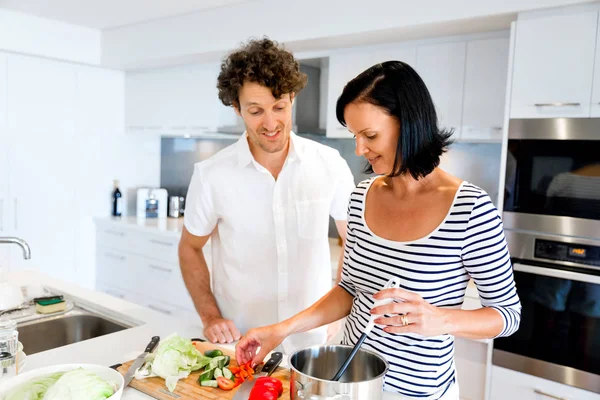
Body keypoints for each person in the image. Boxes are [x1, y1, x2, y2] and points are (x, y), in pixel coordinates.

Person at [235, 61, 522, 400]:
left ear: (409, 122)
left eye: (369, 135)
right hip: (348, 383)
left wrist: (438, 319)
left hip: (418, 392)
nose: (360, 149)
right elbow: (349, 290)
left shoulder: (469, 208)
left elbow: (507, 315)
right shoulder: (362, 195)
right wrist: (281, 330)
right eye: (354, 136)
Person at [178, 38, 355, 354]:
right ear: (237, 108)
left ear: (293, 98)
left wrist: (339, 310)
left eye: (279, 107)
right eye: (256, 110)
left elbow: (352, 241)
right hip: (242, 342)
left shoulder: (330, 165)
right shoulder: (211, 175)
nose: (271, 123)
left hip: (311, 341)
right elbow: (190, 247)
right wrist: (210, 315)